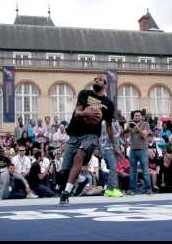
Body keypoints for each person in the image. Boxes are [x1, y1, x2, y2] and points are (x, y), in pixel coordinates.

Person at [59, 74, 117, 205]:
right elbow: (77, 112)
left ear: (105, 84)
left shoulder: (108, 104)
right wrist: (86, 113)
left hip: (91, 136)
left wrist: (115, 147)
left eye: (100, 79)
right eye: (95, 79)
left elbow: (109, 128)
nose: (96, 80)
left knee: (79, 157)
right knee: (64, 171)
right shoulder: (84, 94)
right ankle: (80, 179)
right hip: (75, 135)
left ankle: (66, 193)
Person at [124, 110, 152, 195]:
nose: (137, 117)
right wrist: (128, 128)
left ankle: (148, 189)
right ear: (133, 117)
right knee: (132, 171)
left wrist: (137, 128)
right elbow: (126, 136)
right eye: (135, 115)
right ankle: (133, 189)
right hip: (133, 149)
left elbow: (144, 135)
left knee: (145, 171)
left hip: (143, 149)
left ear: (141, 117)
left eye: (139, 115)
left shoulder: (145, 124)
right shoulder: (131, 124)